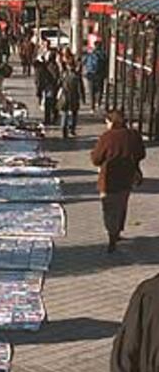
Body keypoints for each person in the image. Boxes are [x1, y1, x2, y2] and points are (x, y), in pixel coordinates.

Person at [91, 110, 145, 252]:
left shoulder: (107, 137)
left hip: (108, 178)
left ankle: (112, 235)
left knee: (108, 207)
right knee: (122, 204)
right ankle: (117, 231)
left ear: (112, 122)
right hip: (127, 176)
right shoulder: (133, 135)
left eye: (107, 122)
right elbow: (141, 153)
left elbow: (96, 159)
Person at [57, 60, 84, 138]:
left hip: (65, 96)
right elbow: (80, 87)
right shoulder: (77, 75)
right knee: (74, 113)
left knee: (64, 113)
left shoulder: (64, 74)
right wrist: (82, 97)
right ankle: (72, 129)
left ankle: (64, 129)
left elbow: (59, 83)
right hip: (74, 96)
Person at [83, 43, 106, 112]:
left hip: (90, 74)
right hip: (100, 75)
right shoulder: (103, 54)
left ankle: (92, 107)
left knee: (91, 91)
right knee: (99, 90)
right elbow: (105, 64)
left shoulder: (90, 53)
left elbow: (84, 61)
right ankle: (98, 103)